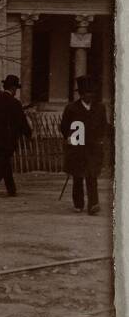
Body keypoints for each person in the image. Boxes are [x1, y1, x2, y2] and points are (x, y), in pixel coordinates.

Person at [59, 75, 107, 215]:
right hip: (77, 147)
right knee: (78, 175)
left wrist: (100, 138)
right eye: (86, 93)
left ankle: (93, 204)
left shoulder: (100, 108)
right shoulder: (71, 108)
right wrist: (70, 137)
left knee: (92, 175)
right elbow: (64, 127)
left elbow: (103, 125)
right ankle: (78, 203)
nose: (89, 95)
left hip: (93, 147)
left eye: (91, 92)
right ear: (81, 94)